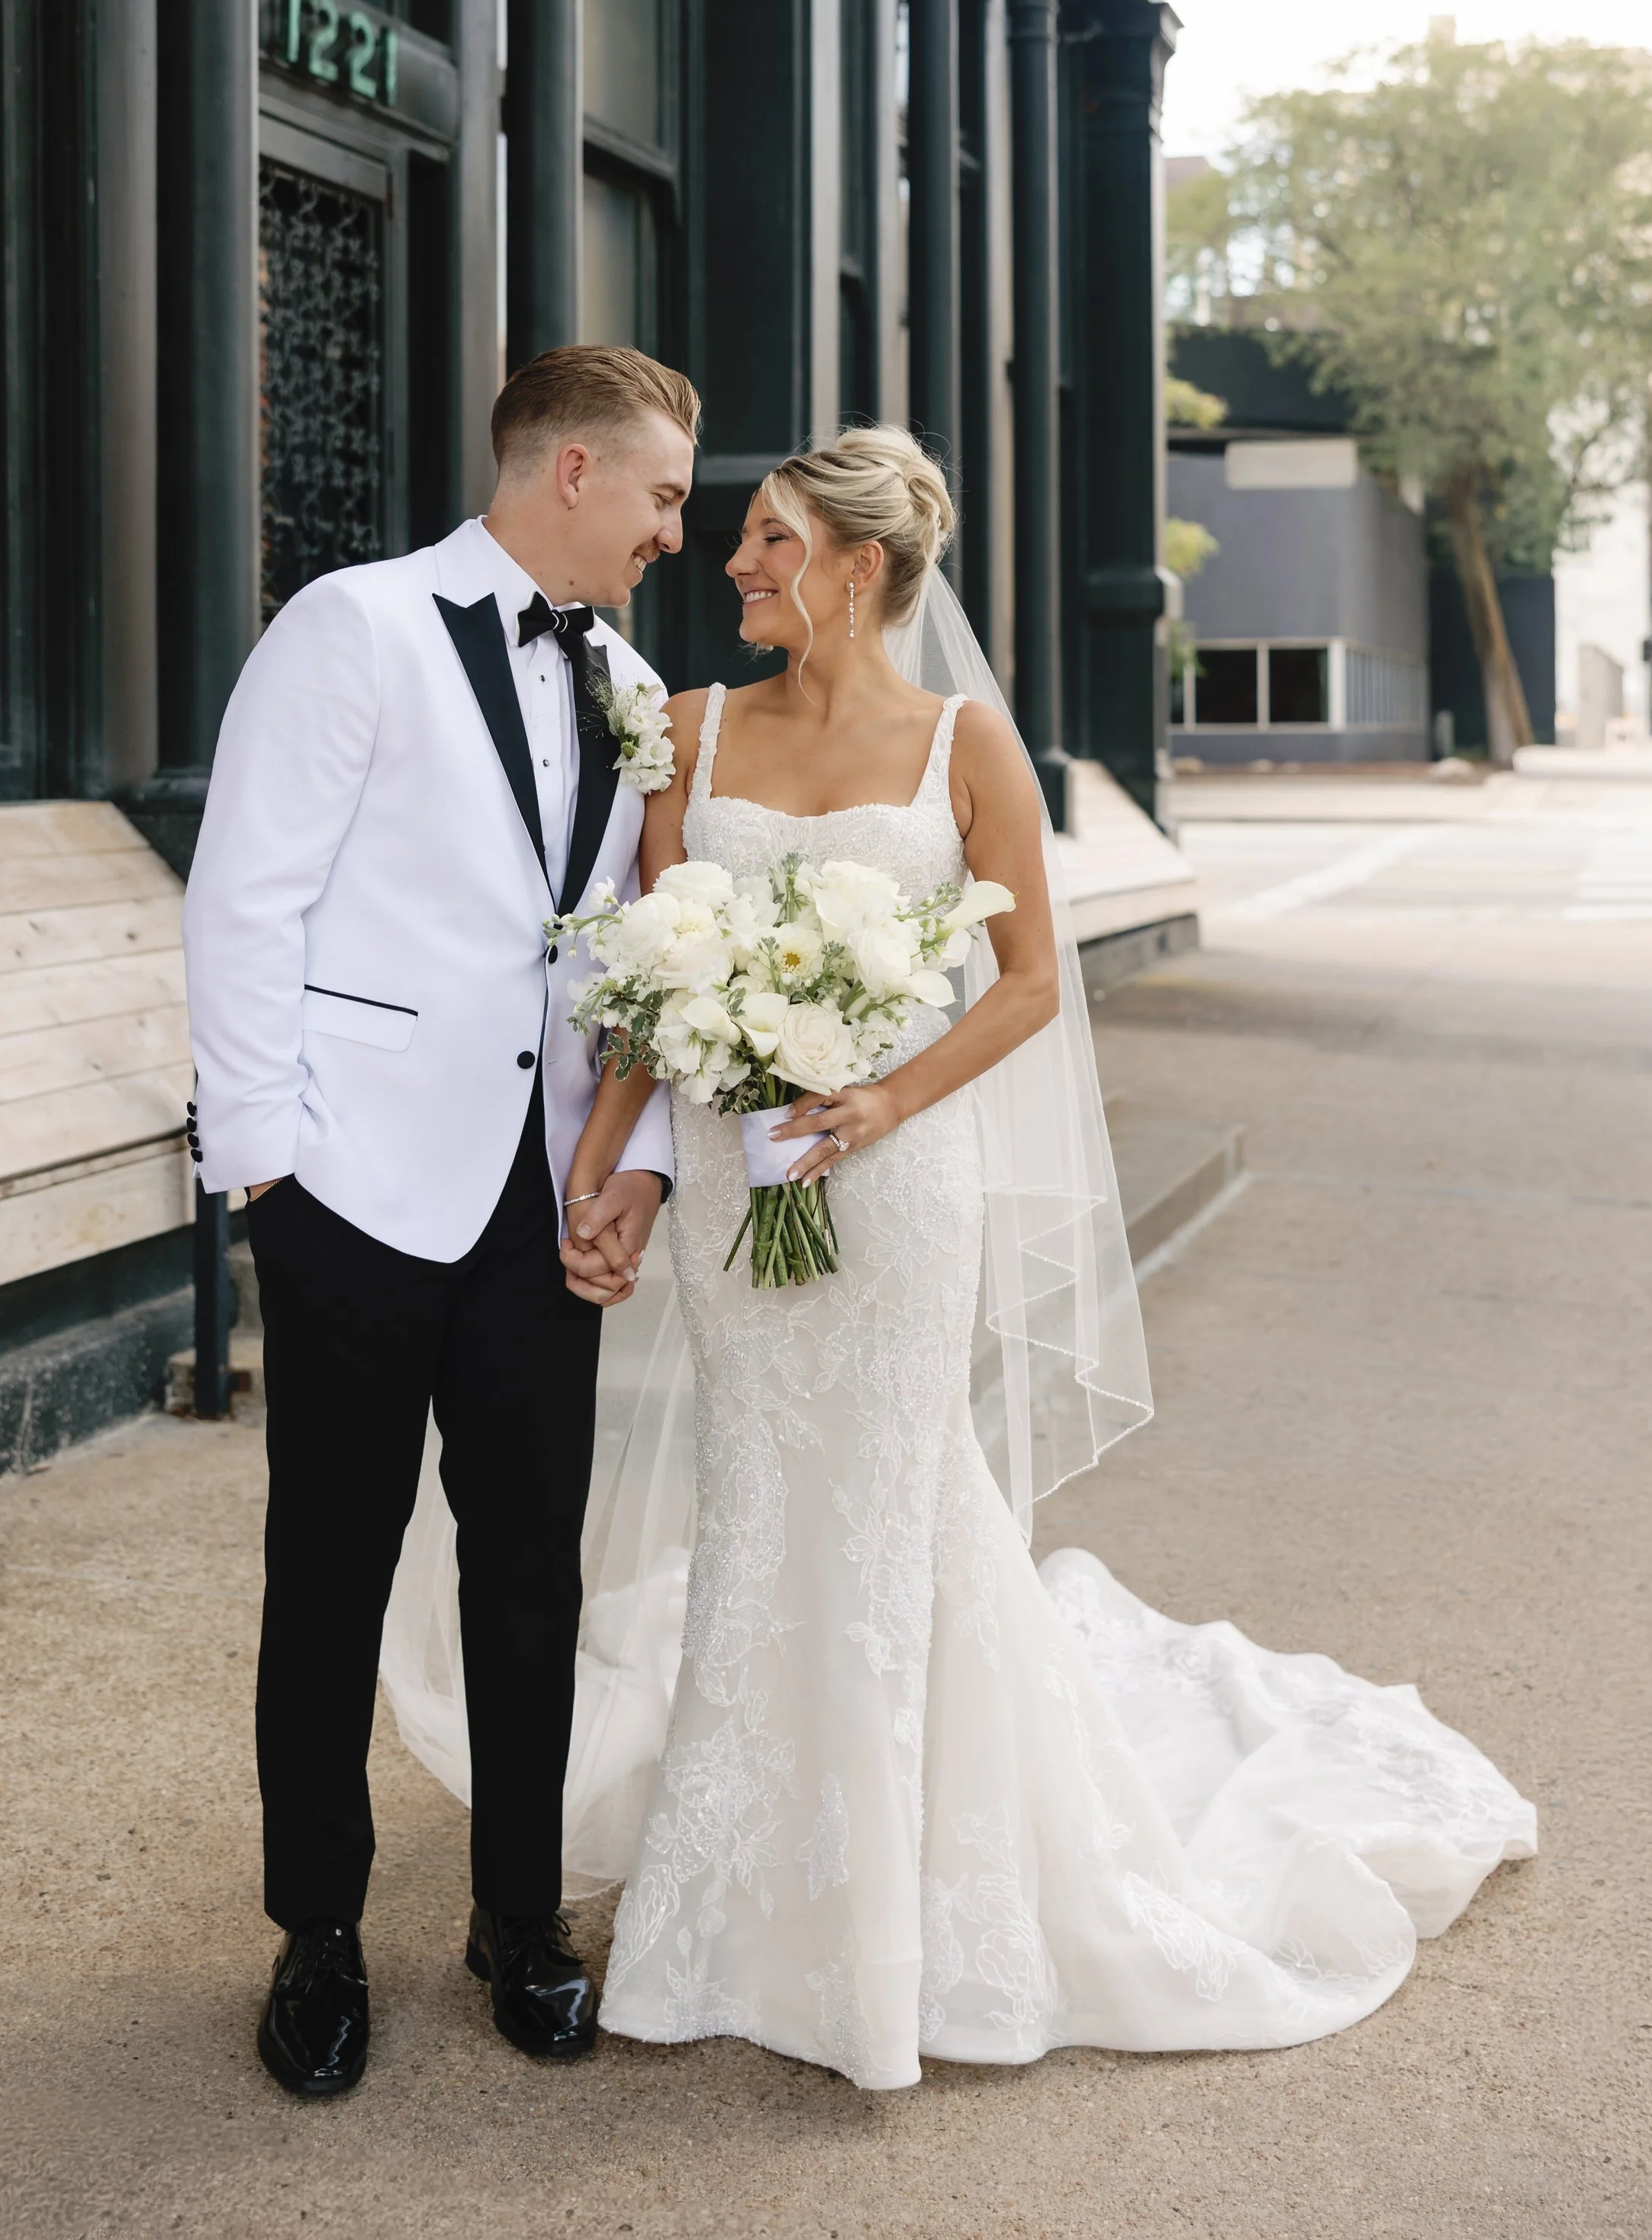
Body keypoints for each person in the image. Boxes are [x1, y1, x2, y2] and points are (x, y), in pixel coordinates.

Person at [530, 423, 1534, 2087]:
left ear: (859, 566)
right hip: (728, 1180)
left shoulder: (961, 745)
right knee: (762, 1495)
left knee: (885, 1498)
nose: (733, 565)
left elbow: (1022, 984)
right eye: (733, 539)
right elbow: (650, 971)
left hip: (889, 1185)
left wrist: (879, 1100)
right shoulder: (686, 733)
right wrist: (606, 1159)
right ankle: (738, 1892)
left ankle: (914, 1900)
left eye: (769, 540)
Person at [182, 345, 699, 2098]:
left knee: (529, 1571)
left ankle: (514, 1919)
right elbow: (245, 894)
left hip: (541, 1207)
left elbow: (641, 962)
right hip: (353, 1186)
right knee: (325, 1566)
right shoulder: (357, 625)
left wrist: (639, 1166)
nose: (674, 532)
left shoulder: (632, 683)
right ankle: (316, 1934)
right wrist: (266, 1166)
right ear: (569, 472)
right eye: (660, 495)